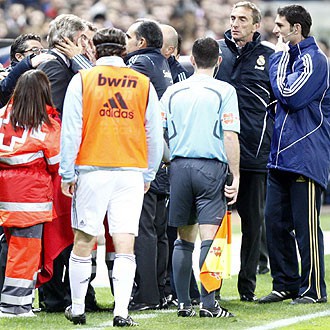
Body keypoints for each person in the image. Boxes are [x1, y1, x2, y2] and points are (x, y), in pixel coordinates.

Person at [60, 27, 163, 326]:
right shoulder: (143, 84)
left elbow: (71, 130)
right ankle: (121, 311)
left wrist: (68, 172)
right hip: (130, 170)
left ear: (94, 48)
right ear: (123, 50)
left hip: (92, 168)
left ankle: (77, 308)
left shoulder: (83, 79)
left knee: (84, 238)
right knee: (124, 242)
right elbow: (154, 135)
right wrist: (149, 173)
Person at [161, 37, 240, 318]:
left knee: (183, 239)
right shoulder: (224, 90)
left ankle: (183, 304)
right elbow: (230, 134)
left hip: (180, 167)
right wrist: (237, 174)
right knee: (211, 238)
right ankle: (209, 304)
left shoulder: (173, 91)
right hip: (211, 168)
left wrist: (170, 160)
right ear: (219, 61)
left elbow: (158, 131)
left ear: (191, 60)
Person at [259, 4, 329, 305]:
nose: (275, 30)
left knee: (306, 227)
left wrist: (275, 62)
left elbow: (291, 95)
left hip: (305, 155)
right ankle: (285, 284)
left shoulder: (314, 60)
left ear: (296, 28)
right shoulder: (290, 58)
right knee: (273, 222)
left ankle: (313, 288)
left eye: (280, 25)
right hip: (280, 156)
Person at [214, 1, 274, 302]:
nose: (235, 23)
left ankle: (247, 287)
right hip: (217, 154)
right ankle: (212, 288)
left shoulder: (270, 58)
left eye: (242, 19)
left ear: (255, 26)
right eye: (232, 18)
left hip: (255, 154)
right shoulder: (215, 54)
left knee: (253, 224)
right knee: (213, 224)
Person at [37, 14, 98, 313]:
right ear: (70, 38)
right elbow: (55, 118)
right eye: (84, 37)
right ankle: (56, 295)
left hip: (60, 160)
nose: (89, 43)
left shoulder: (62, 65)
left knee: (72, 227)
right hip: (56, 162)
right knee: (62, 228)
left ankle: (69, 294)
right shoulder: (56, 66)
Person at [0, 70, 61, 317]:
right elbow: (56, 162)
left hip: (3, 189)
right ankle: (14, 306)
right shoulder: (47, 124)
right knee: (25, 250)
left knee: (6, 247)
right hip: (29, 195)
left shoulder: (1, 115)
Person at [124, 19, 172, 311]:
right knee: (157, 229)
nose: (125, 42)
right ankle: (161, 290)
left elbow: (109, 79)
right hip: (163, 158)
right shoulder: (161, 63)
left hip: (145, 156)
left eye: (129, 37)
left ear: (141, 42)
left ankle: (147, 295)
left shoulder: (140, 63)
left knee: (144, 229)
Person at [0, 33, 55, 107]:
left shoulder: (43, 72)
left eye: (42, 50)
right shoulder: (6, 76)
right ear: (19, 57)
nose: (40, 54)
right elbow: (5, 88)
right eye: (35, 50)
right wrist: (29, 62)